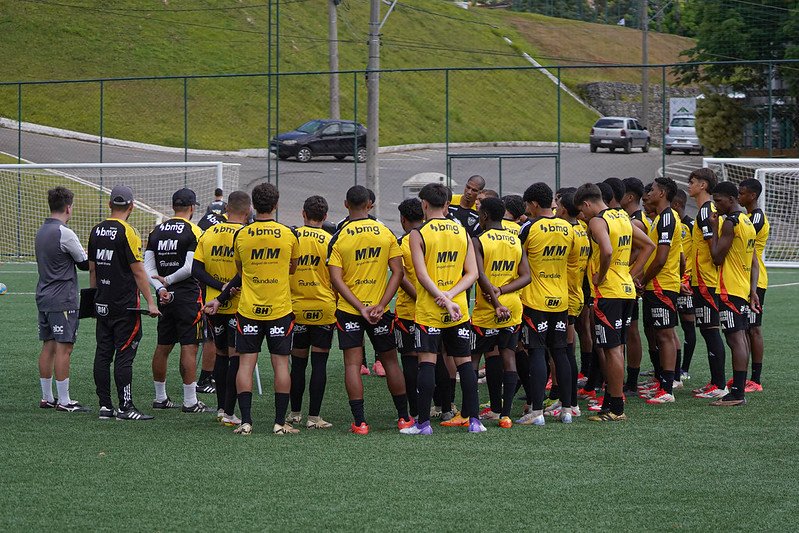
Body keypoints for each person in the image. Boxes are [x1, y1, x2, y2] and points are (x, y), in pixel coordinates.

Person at [327, 185, 412, 435]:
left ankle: (360, 423)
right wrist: (382, 305)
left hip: (351, 310)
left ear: (345, 205)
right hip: (380, 310)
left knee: (352, 366)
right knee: (391, 362)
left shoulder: (339, 235)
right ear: (369, 205)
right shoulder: (384, 232)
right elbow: (398, 272)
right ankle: (404, 418)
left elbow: (336, 279)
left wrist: (359, 307)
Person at [401, 182, 481, 435]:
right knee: (464, 364)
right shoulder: (462, 231)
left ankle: (423, 424)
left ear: (424, 204)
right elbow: (473, 274)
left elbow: (421, 276)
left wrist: (441, 297)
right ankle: (474, 421)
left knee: (427, 363)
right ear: (446, 204)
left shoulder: (418, 234)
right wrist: (451, 296)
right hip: (458, 309)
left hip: (430, 310)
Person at [574, 183, 654, 422]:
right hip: (626, 290)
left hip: (609, 292)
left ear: (587, 204)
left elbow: (607, 251)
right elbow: (648, 245)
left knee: (611, 350)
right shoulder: (621, 216)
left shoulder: (598, 221)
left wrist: (602, 275)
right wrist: (631, 274)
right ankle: (611, 401)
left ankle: (617, 408)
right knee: (616, 347)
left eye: (582, 211)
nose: (583, 216)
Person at [88, 185, 160, 420]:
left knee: (102, 354)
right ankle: (126, 407)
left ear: (110, 205)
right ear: (131, 206)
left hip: (102, 303)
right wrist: (151, 302)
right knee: (124, 355)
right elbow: (139, 272)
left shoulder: (96, 230)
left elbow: (93, 270)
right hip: (125, 306)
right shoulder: (128, 232)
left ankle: (105, 407)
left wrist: (94, 298)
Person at [145, 188, 211, 413]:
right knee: (189, 346)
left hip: (163, 296)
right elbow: (190, 267)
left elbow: (148, 267)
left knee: (163, 346)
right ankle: (190, 401)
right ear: (192, 208)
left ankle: (160, 397)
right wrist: (170, 280)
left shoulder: (157, 230)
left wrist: (161, 287)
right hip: (187, 294)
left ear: (174, 207)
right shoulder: (195, 231)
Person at [517, 182, 575, 425]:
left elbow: (517, 261)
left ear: (533, 204)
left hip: (535, 300)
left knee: (538, 353)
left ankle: (537, 412)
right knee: (560, 352)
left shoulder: (528, 228)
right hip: (560, 298)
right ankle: (568, 409)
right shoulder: (569, 228)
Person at [471, 197, 530, 428]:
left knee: (473, 360)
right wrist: (503, 291)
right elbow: (526, 276)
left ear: (485, 216)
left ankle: (471, 414)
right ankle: (505, 416)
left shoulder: (479, 240)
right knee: (509, 357)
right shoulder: (515, 239)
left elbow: (480, 274)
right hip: (513, 306)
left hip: (488, 309)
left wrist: (496, 302)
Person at [193, 190, 251, 426]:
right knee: (236, 357)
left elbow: (196, 270)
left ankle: (220, 409)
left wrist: (219, 287)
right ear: (247, 212)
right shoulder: (247, 235)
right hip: (239, 305)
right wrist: (229, 288)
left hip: (212, 305)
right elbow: (247, 270)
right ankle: (229, 411)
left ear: (226, 210)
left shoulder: (209, 233)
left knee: (220, 355)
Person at [35, 186, 90, 412]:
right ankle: (65, 401)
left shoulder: (41, 231)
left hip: (43, 296)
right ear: (68, 207)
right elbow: (84, 262)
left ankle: (47, 397)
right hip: (62, 300)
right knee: (64, 348)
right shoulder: (64, 232)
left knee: (48, 346)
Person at [706, 181, 759, 406]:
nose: (715, 206)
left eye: (718, 201)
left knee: (735, 338)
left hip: (729, 287)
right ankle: (738, 389)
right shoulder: (747, 220)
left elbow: (717, 257)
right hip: (742, 287)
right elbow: (754, 262)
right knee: (740, 338)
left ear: (731, 199)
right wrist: (753, 291)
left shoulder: (730, 222)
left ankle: (737, 393)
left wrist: (713, 229)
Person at [287, 196, 337, 429]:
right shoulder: (330, 240)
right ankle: (314, 418)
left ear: (303, 214)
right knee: (319, 364)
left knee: (297, 364)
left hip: (296, 308)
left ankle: (294, 413)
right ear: (325, 217)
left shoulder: (293, 237)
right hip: (324, 307)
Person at [635, 178, 682, 404]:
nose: (648, 193)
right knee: (662, 335)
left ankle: (668, 389)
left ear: (662, 193)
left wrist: (643, 279)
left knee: (664, 335)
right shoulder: (661, 219)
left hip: (662, 285)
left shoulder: (667, 218)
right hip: (660, 284)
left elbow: (661, 259)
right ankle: (664, 383)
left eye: (651, 190)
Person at [687, 168, 729, 399]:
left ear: (703, 185)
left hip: (707, 280)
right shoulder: (707, 211)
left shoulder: (706, 212)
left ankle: (719, 385)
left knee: (711, 330)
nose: (689, 185)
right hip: (702, 278)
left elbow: (712, 246)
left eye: (692, 182)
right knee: (707, 330)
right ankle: (716, 382)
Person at [555, 187, 590, 418]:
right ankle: (565, 400)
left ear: (565, 209)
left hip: (566, 296)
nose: (554, 209)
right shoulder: (582, 230)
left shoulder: (567, 232)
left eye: (557, 205)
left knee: (565, 351)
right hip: (576, 293)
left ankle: (571, 404)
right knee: (566, 349)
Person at [394, 198, 425, 421]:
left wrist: (418, 297)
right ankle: (444, 405)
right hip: (438, 307)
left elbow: (400, 276)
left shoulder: (401, 242)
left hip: (408, 309)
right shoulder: (432, 236)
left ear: (403, 219)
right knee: (435, 358)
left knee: (410, 359)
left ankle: (414, 411)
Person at [739, 178, 768, 392]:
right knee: (745, 329)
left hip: (755, 280)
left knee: (753, 328)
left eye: (742, 193)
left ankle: (755, 380)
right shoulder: (748, 217)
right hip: (744, 278)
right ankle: (744, 377)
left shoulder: (756, 218)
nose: (739, 196)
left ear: (753, 196)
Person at [620, 177, 649, 394]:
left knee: (630, 332)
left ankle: (631, 380)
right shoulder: (630, 219)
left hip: (625, 285)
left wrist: (630, 275)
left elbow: (641, 250)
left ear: (629, 197)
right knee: (628, 332)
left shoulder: (636, 222)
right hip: (626, 284)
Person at [671, 189, 696, 381]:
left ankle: (684, 369)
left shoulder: (690, 226)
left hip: (686, 283)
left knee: (688, 325)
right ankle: (672, 367)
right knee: (670, 328)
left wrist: (688, 279)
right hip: (674, 281)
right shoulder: (676, 224)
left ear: (677, 205)